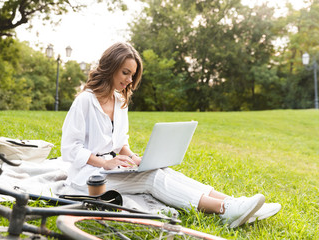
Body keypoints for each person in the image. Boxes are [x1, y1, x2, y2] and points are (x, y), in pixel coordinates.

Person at [61, 42, 281, 228]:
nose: (129, 80)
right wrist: (104, 163)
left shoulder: (120, 101)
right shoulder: (85, 101)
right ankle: (224, 210)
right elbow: (70, 149)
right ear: (110, 67)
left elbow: (120, 144)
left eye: (133, 75)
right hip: (88, 179)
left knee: (159, 170)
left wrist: (137, 158)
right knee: (151, 178)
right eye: (125, 72)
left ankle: (236, 203)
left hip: (110, 168)